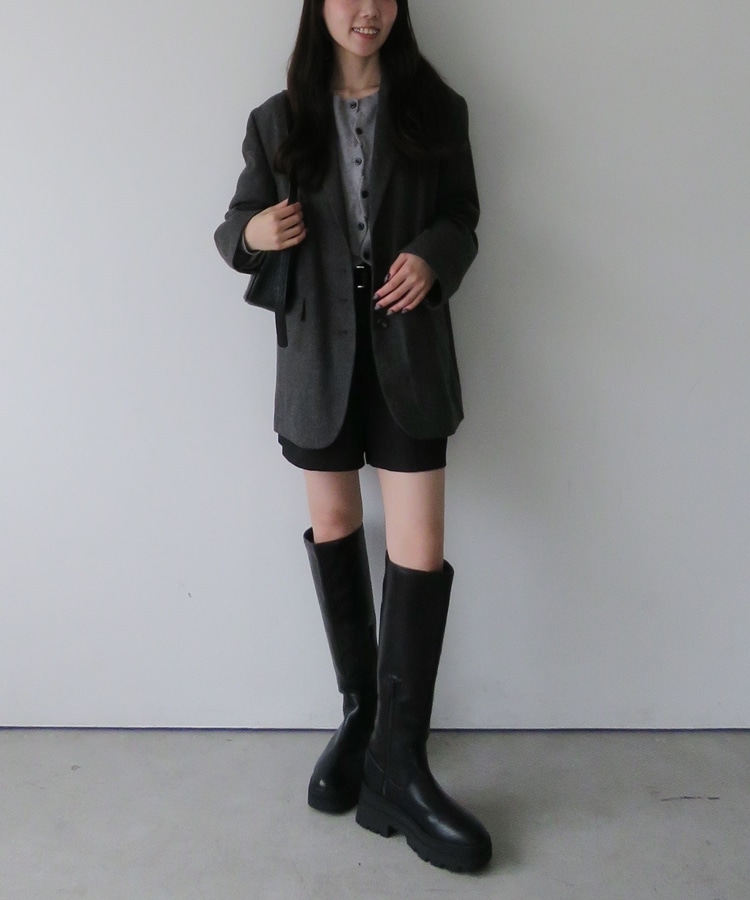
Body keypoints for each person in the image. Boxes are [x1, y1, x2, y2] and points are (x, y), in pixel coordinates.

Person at [214, 0, 491, 873]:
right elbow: (234, 228)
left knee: (419, 544)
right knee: (335, 524)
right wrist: (253, 233)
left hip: (409, 351)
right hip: (318, 355)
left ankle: (400, 766)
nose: (365, 10)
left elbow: (463, 215)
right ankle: (362, 718)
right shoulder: (277, 120)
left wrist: (433, 256)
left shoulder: (436, 108)